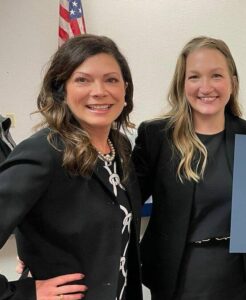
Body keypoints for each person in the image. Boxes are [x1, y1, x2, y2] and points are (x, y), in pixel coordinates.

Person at [0, 34, 142, 299]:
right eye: (82, 80)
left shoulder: (118, 147)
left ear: (125, 89)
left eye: (111, 79)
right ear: (61, 89)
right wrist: (24, 293)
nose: (99, 91)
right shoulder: (44, 151)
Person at [132, 36, 246, 300]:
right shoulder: (156, 136)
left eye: (216, 75)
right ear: (182, 84)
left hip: (238, 279)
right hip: (176, 278)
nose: (206, 87)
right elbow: (124, 203)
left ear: (232, 82)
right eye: (194, 77)